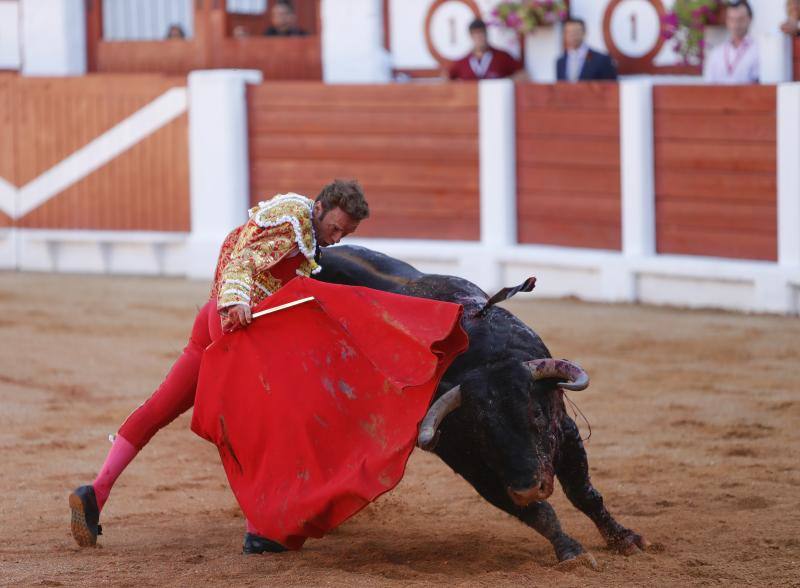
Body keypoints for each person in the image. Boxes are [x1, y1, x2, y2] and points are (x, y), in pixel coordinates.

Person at [69, 181, 369, 555]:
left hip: (212, 320)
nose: (337, 239)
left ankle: (96, 490)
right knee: (261, 422)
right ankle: (261, 528)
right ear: (320, 207)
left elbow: (237, 248)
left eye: (346, 233)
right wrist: (235, 303)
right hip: (233, 329)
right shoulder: (292, 224)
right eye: (335, 228)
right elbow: (242, 259)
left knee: (160, 407)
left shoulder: (297, 221)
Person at [448, 19, 526, 81]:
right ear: (471, 36)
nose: (479, 38)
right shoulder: (463, 62)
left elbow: (523, 75)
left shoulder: (502, 57)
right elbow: (447, 79)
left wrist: (504, 83)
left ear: (486, 34)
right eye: (476, 34)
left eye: (481, 33)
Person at [704, 0, 759, 84]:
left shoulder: (758, 51)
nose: (736, 25)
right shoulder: (717, 53)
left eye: (741, 19)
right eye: (732, 19)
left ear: (750, 19)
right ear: (727, 20)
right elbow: (708, 86)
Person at [556, 18, 617, 82]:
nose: (572, 35)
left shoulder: (601, 59)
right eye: (568, 32)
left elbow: (611, 87)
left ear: (584, 32)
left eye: (576, 32)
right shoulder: (560, 61)